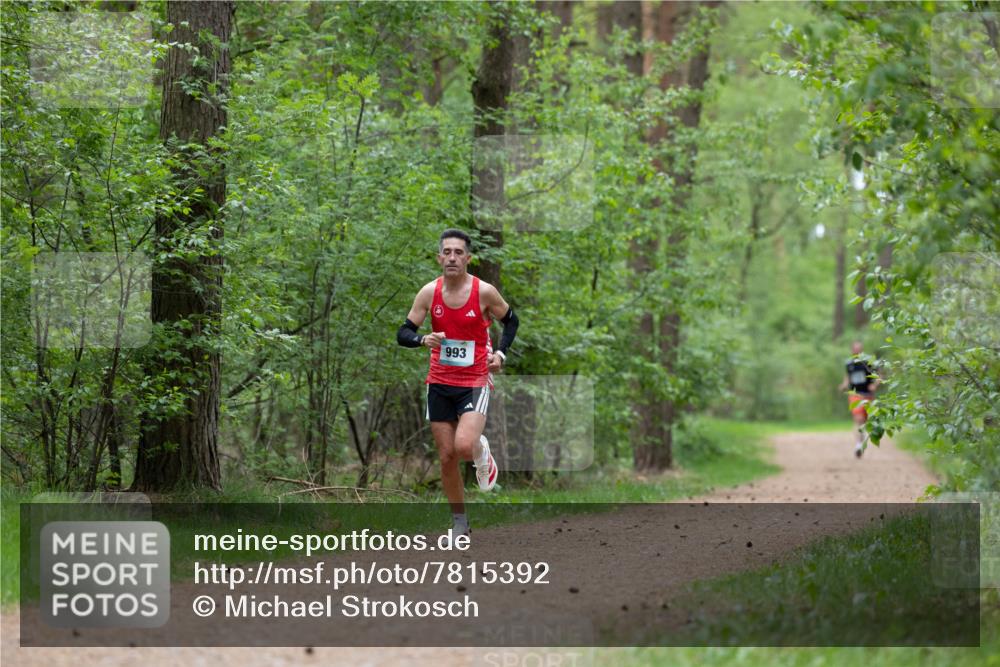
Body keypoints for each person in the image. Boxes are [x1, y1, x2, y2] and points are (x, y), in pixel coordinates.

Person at [396, 228, 520, 541]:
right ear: (439, 257)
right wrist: (423, 338)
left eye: (458, 252)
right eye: (447, 252)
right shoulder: (428, 293)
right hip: (439, 381)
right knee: (447, 456)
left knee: (464, 446)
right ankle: (460, 524)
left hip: (475, 379)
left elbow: (512, 320)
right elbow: (403, 332)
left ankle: (481, 452)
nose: (452, 257)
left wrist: (501, 353)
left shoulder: (484, 292)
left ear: (468, 258)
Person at [838, 341, 879, 458]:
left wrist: (875, 385)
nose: (857, 351)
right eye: (855, 349)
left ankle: (861, 440)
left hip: (868, 395)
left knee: (864, 421)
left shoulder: (869, 362)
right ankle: (858, 445)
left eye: (859, 349)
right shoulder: (849, 364)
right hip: (855, 394)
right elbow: (847, 378)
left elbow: (879, 376)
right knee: (858, 419)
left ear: (862, 350)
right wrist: (843, 385)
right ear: (852, 350)